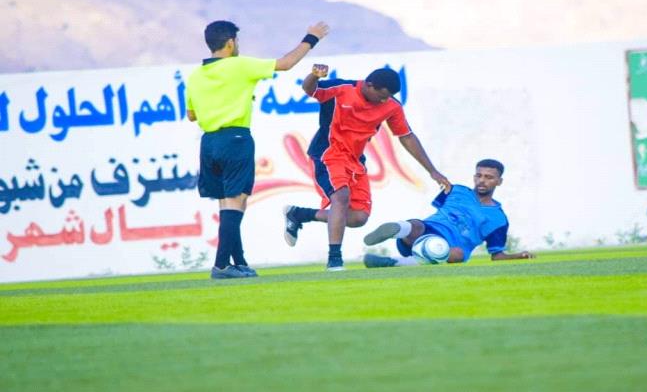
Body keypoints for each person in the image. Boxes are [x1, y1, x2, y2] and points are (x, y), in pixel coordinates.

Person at [187, 20, 329, 279]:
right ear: (230, 42)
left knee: (228, 204)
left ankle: (239, 262)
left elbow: (191, 115)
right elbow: (286, 63)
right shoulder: (238, 65)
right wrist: (312, 38)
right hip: (235, 138)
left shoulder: (196, 75)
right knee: (236, 202)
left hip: (209, 142)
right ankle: (221, 266)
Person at [283, 65, 450, 271]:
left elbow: (406, 136)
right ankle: (335, 260)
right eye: (382, 96)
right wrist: (314, 76)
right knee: (340, 197)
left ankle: (299, 214)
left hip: (355, 161)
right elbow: (310, 89)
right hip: (328, 154)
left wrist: (432, 170)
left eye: (388, 97)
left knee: (358, 218)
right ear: (369, 85)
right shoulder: (341, 89)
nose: (384, 101)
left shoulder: (391, 105)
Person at [362, 159, 534, 268]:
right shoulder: (455, 190)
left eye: (489, 177)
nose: (482, 180)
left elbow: (497, 255)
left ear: (499, 181)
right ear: (474, 176)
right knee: (416, 225)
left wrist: (518, 256)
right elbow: (438, 207)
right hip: (423, 232)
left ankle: (390, 262)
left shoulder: (499, 220)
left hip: (448, 247)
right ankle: (396, 229)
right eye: (479, 175)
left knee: (455, 253)